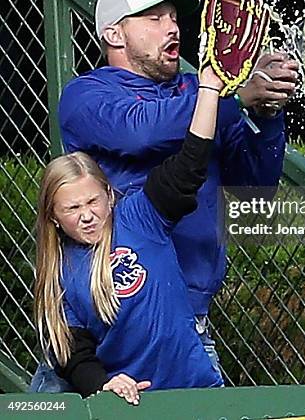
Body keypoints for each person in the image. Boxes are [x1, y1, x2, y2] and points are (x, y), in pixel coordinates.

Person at [57, 0, 298, 372]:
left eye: (173, 17)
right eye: (153, 19)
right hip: (106, 324)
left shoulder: (202, 91)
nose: (171, 27)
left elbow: (255, 190)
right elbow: (142, 131)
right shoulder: (86, 94)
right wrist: (231, 98)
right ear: (115, 35)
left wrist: (266, 112)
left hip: (187, 323)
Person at [34, 64, 226, 405]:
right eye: (72, 209)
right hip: (131, 400)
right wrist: (103, 385)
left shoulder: (139, 216)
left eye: (93, 201)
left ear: (109, 196)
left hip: (193, 389)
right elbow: (73, 351)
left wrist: (209, 89)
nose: (88, 215)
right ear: (54, 217)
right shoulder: (60, 269)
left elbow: (190, 166)